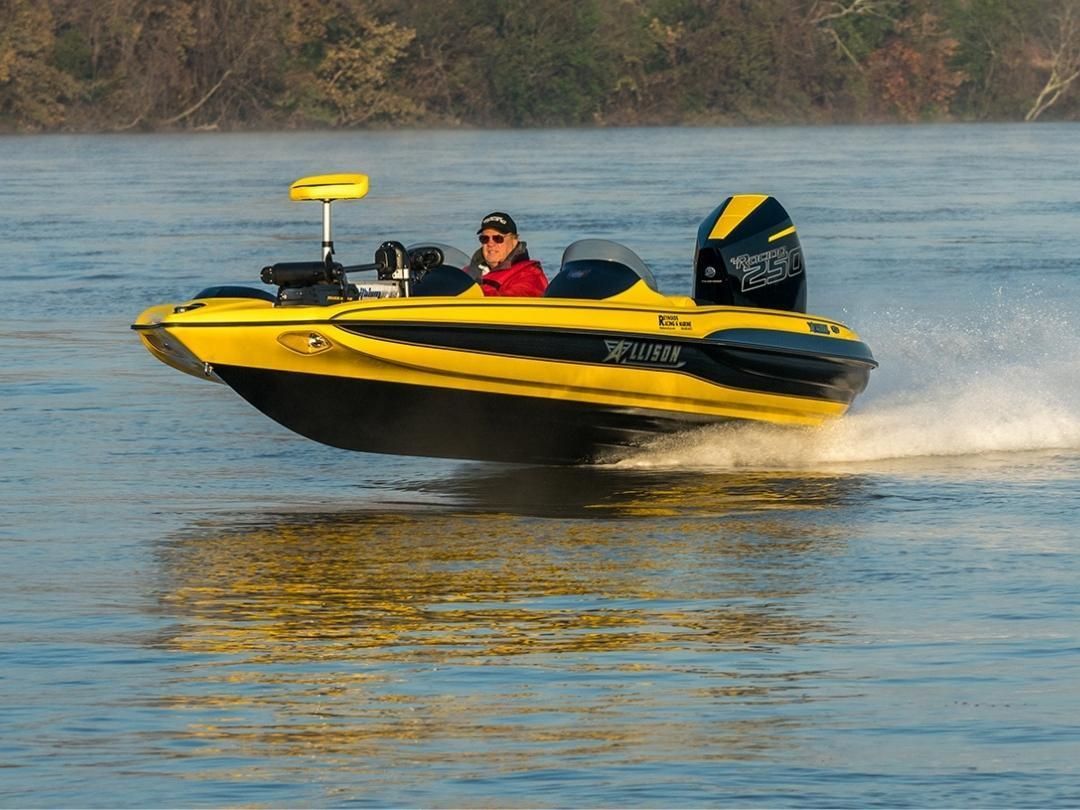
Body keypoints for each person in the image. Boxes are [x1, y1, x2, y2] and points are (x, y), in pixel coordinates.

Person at [466, 212, 548, 297]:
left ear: (514, 240)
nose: (490, 244)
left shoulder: (530, 275)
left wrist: (474, 292)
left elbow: (516, 300)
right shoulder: (467, 272)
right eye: (485, 239)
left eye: (498, 238)